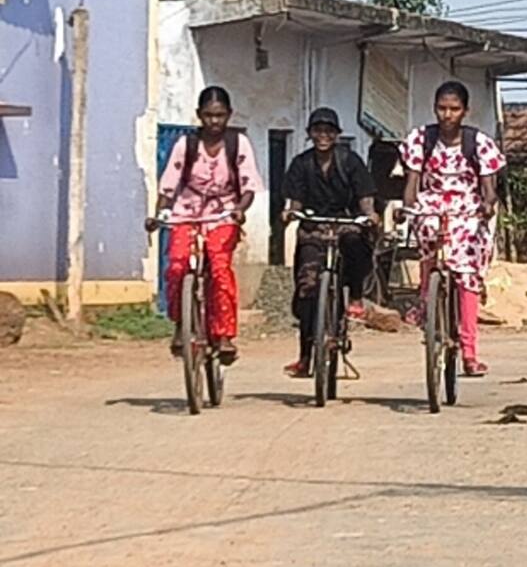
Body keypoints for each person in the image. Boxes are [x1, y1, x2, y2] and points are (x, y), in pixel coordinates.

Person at [401, 80, 506, 377]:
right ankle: (426, 299)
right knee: (427, 236)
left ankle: (470, 351)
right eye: (442, 108)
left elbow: (489, 188)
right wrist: (408, 208)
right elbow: (412, 183)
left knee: (466, 275)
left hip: (468, 210)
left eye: (454, 109)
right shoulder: (420, 140)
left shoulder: (480, 143)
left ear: (465, 111)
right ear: (435, 109)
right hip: (431, 205)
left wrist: (487, 206)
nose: (447, 115)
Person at [149, 86, 261, 364]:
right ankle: (180, 325)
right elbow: (168, 186)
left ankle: (223, 335)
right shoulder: (185, 145)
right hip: (185, 213)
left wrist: (239, 210)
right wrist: (158, 215)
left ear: (229, 115)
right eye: (209, 115)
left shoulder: (238, 143)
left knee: (220, 267)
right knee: (176, 265)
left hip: (223, 215)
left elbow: (248, 185)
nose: (214, 122)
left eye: (220, 115)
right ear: (199, 115)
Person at [281, 107, 378, 379]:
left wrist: (368, 214)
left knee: (356, 245)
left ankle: (356, 295)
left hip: (345, 222)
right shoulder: (301, 164)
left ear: (337, 134)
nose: (323, 136)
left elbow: (365, 196)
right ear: (310, 134)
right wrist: (290, 212)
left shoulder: (350, 161)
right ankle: (304, 357)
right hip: (314, 226)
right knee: (308, 287)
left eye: (328, 131)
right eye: (318, 131)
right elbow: (295, 201)